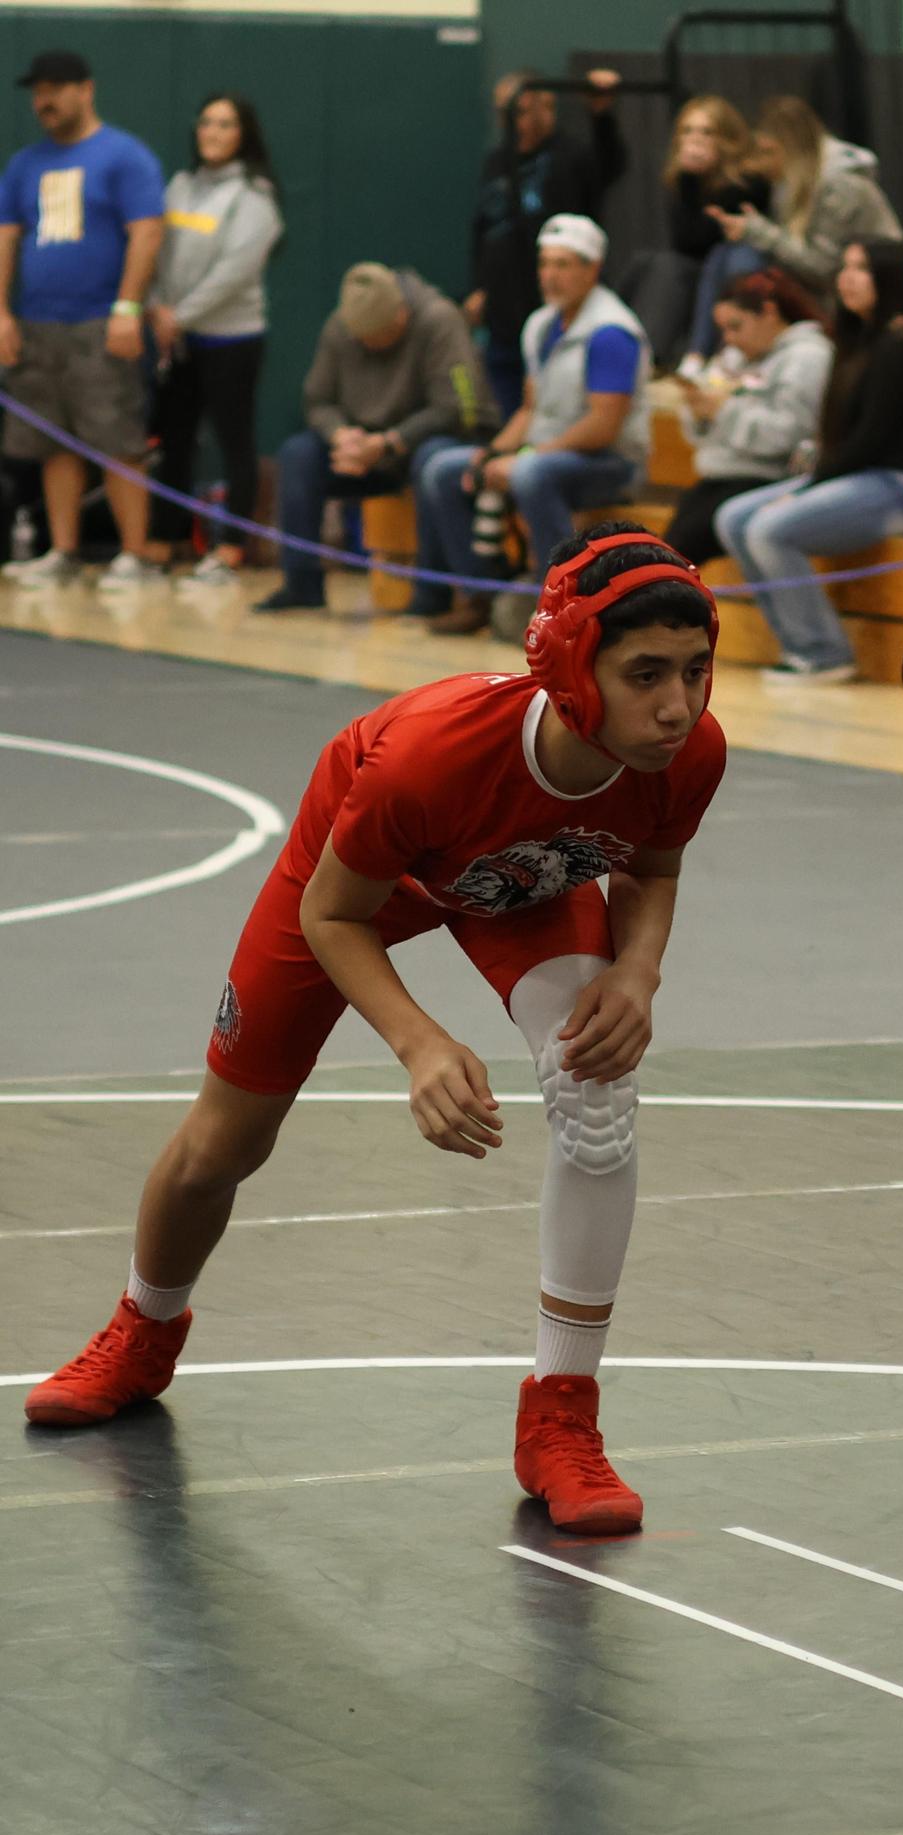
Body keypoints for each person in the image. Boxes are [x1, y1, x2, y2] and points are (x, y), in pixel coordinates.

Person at [24, 526, 726, 1539]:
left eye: (695, 670)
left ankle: (561, 1419)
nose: (677, 706)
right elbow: (333, 913)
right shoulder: (434, 754)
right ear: (573, 669)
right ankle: (144, 1327)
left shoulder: (690, 751)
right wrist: (419, 1043)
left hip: (522, 878)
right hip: (351, 886)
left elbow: (651, 868)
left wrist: (638, 970)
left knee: (598, 1096)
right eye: (645, 674)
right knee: (224, 1145)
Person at [715, 239, 903, 683]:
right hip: (861, 475)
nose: (848, 277)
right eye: (845, 267)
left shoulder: (902, 343)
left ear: (888, 277)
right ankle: (796, 646)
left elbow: (873, 439)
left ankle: (823, 653)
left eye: (862, 268)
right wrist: (810, 482)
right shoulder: (854, 340)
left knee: (769, 528)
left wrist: (806, 489)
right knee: (732, 517)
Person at [414, 215, 649, 635]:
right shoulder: (541, 324)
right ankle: (479, 594)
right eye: (544, 264)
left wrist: (524, 458)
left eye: (563, 264)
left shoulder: (611, 332)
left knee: (531, 473)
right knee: (444, 469)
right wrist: (493, 453)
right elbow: (529, 410)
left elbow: (603, 426)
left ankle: (563, 604)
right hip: (546, 453)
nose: (550, 275)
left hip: (610, 462)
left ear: (592, 269)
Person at [0, 49, 165, 591]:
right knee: (53, 441)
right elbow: (6, 237)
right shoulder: (25, 164)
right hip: (38, 323)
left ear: (85, 90)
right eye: (38, 91)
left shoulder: (124, 156)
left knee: (117, 438)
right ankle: (63, 551)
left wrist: (128, 307)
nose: (44, 101)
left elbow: (147, 232)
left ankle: (135, 554)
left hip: (101, 322)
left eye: (55, 88)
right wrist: (2, 312)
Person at [254, 262, 496, 614]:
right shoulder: (342, 325)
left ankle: (432, 595)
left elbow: (455, 409)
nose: (366, 343)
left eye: (375, 336)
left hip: (422, 444)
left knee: (433, 459)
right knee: (298, 454)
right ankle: (301, 584)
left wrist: (389, 442)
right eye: (360, 338)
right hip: (361, 449)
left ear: (401, 315)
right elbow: (317, 400)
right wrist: (340, 435)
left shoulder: (440, 320)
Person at [144, 93, 284, 588]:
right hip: (179, 338)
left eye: (225, 124)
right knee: (174, 441)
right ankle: (164, 543)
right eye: (206, 122)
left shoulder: (254, 197)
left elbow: (234, 272)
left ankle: (230, 549)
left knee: (234, 441)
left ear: (243, 134)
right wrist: (158, 307)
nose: (213, 132)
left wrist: (180, 316)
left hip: (231, 340)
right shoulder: (180, 186)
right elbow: (155, 251)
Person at [468, 67, 628, 418]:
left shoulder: (572, 155)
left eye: (520, 110)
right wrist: (479, 286)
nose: (511, 121)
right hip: (503, 314)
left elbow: (611, 166)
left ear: (547, 106)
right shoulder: (497, 160)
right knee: (512, 410)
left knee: (553, 412)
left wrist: (601, 115)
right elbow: (483, 227)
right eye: (503, 112)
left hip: (553, 306)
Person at [666, 267, 831, 564]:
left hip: (768, 478)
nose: (729, 339)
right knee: (660, 550)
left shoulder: (808, 357)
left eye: (735, 326)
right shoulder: (734, 356)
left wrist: (722, 411)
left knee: (674, 558)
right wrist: (699, 411)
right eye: (723, 329)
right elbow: (702, 427)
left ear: (768, 313)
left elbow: (790, 434)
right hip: (720, 476)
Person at [626, 95, 770, 375]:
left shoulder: (751, 180)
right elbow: (686, 243)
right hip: (699, 273)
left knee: (729, 254)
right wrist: (690, 180)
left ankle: (721, 353)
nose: (696, 140)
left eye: (706, 132)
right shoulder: (682, 180)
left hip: (739, 266)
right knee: (664, 265)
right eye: (688, 131)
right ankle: (647, 362)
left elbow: (717, 236)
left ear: (726, 138)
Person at [709, 98, 903, 302]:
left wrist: (758, 232)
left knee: (743, 258)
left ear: (790, 147)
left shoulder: (839, 184)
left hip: (874, 296)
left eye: (768, 151)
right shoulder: (790, 185)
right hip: (830, 293)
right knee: (724, 254)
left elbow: (824, 268)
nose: (761, 164)